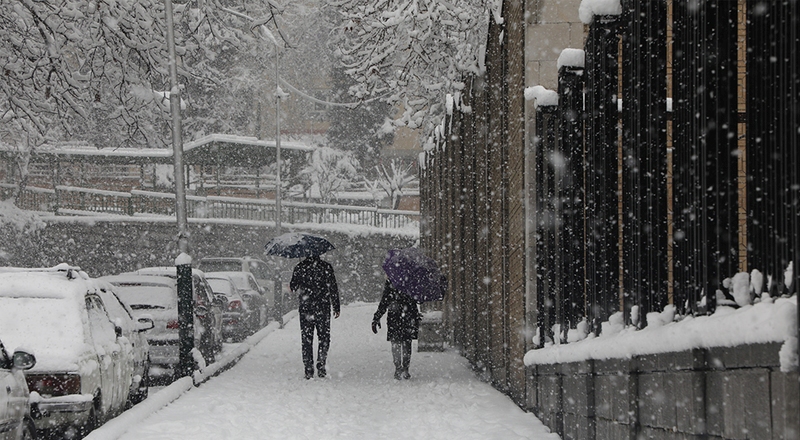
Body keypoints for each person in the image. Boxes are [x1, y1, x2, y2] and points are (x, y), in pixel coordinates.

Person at [290, 254, 340, 379]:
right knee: (324, 337)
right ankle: (321, 364)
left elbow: (293, 287)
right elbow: (333, 287)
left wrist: (298, 279)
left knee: (306, 339)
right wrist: (336, 305)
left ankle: (308, 369)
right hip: (322, 307)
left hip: (306, 308)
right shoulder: (326, 267)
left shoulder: (300, 267)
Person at [371, 279, 421, 380]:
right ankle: (404, 368)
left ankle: (399, 368)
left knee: (397, 344)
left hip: (396, 316)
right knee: (406, 343)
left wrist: (377, 317)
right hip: (407, 316)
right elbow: (415, 300)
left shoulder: (392, 280)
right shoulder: (411, 280)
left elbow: (385, 301)